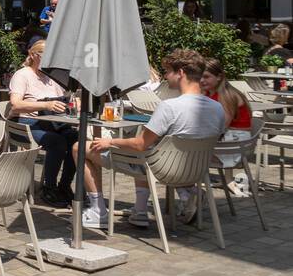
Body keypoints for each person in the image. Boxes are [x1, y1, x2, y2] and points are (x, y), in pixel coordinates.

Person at [77, 49, 227, 230]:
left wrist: (110, 142)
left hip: (162, 169)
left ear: (180, 73)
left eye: (168, 71)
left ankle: (97, 211)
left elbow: (140, 144)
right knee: (146, 151)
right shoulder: (217, 108)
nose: (164, 76)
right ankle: (140, 210)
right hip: (196, 171)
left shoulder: (169, 106)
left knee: (79, 148)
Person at [7, 39, 76, 206]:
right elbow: (16, 104)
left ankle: (64, 185)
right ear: (33, 55)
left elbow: (66, 98)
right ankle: (49, 188)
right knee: (57, 142)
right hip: (25, 123)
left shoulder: (51, 78)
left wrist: (74, 102)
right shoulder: (22, 75)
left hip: (52, 123)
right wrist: (45, 104)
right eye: (46, 55)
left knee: (77, 140)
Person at [201, 58, 253, 196]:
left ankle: (190, 189)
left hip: (235, 145)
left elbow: (222, 126)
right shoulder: (210, 93)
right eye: (199, 76)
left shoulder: (226, 96)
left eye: (206, 76)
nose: (201, 80)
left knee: (188, 152)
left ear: (219, 77)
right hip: (230, 140)